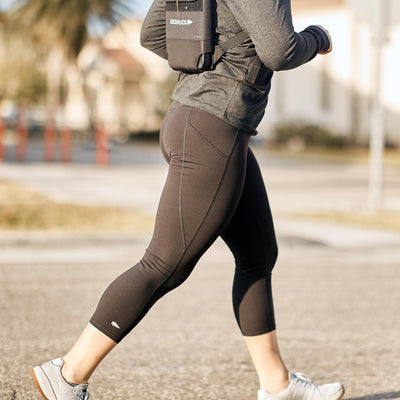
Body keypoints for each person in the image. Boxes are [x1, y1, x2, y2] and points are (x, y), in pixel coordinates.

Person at [31, 1, 345, 400]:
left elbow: (153, 34)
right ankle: (69, 372)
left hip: (195, 119)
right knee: (165, 264)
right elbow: (279, 49)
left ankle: (278, 385)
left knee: (258, 255)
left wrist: (213, 58)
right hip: (215, 128)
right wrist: (318, 37)